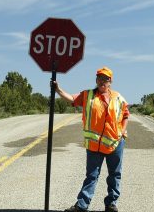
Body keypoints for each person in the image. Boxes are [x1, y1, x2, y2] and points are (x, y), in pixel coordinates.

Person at [53, 66, 130, 212]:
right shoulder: (88, 95)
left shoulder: (118, 97)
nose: (103, 81)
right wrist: (58, 89)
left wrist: (122, 132)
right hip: (95, 146)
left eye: (106, 79)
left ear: (110, 81)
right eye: (100, 78)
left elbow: (126, 114)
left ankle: (111, 204)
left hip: (115, 143)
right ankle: (82, 206)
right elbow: (72, 99)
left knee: (115, 175)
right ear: (96, 80)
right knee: (91, 176)